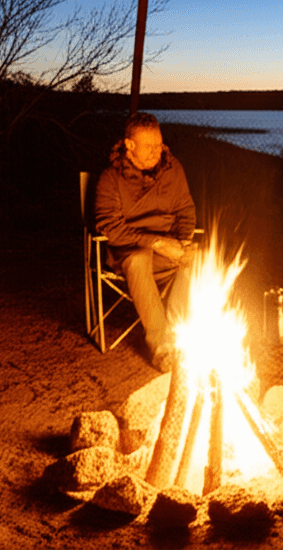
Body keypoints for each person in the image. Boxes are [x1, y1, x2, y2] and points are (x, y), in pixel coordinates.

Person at [95, 112, 197, 372]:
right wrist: (157, 243)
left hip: (166, 250)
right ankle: (162, 348)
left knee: (199, 256)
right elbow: (111, 228)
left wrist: (183, 241)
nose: (157, 151)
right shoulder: (111, 178)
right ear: (129, 145)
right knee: (139, 259)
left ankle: (177, 337)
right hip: (128, 253)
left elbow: (186, 208)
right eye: (149, 146)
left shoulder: (172, 169)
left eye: (159, 144)